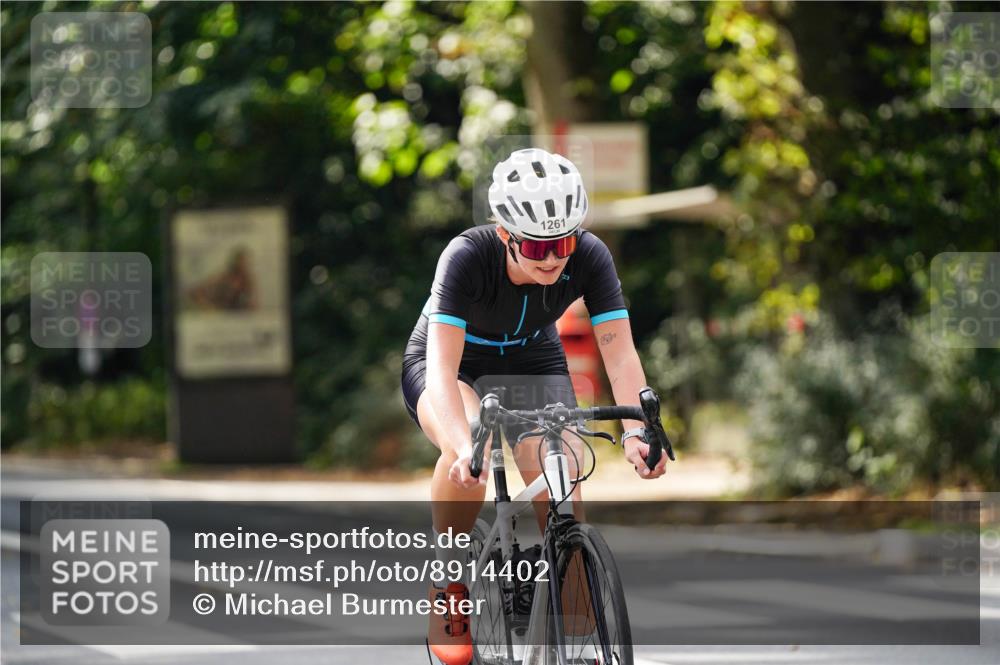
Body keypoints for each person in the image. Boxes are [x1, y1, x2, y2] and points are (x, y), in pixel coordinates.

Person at [400, 148, 667, 665]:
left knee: (562, 470)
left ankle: (575, 633)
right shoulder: (466, 255)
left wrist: (638, 431)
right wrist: (462, 447)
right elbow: (441, 367)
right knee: (472, 456)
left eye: (562, 243)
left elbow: (619, 350)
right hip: (454, 362)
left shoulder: (590, 256)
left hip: (531, 355)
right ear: (505, 234)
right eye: (537, 247)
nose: (551, 259)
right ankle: (449, 576)